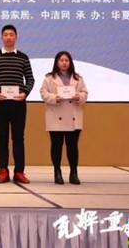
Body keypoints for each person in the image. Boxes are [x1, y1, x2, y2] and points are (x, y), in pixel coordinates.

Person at [0, 24, 35, 184]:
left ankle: (19, 171)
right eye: (5, 34)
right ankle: (3, 171)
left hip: (19, 104)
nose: (8, 37)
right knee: (2, 138)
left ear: (16, 37)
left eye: (11, 34)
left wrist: (25, 93)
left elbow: (30, 78)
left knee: (19, 138)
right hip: (0, 104)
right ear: (1, 37)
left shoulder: (23, 57)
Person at [40, 51, 88, 185]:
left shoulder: (78, 78)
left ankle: (74, 173)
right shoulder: (49, 78)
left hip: (73, 116)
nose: (64, 63)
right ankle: (57, 172)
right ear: (57, 62)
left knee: (72, 146)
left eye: (67, 60)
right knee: (56, 146)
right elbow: (43, 93)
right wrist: (54, 97)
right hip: (56, 116)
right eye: (61, 60)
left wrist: (79, 96)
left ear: (70, 62)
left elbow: (85, 92)